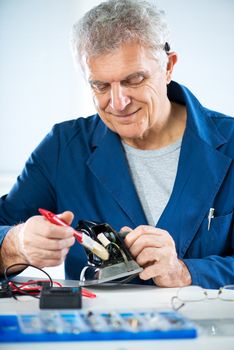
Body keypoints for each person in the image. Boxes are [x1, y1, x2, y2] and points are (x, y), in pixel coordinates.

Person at [0, 0, 233, 289]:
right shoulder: (63, 149)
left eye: (134, 79)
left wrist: (187, 272)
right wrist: (15, 244)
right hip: (98, 332)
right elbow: (5, 227)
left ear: (169, 66)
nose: (118, 103)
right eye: (100, 86)